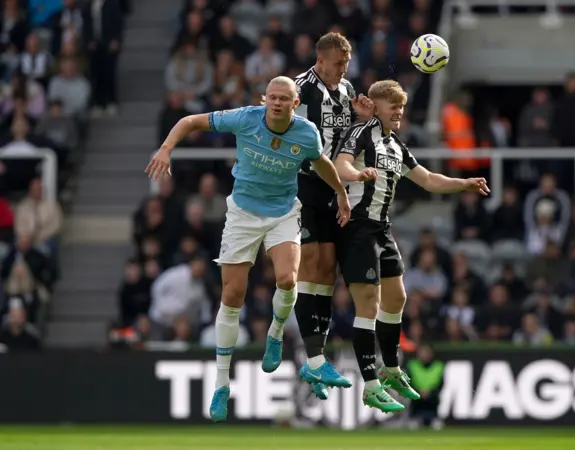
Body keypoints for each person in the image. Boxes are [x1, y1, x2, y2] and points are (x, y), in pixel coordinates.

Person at [145, 76, 351, 422]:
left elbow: (321, 162)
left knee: (287, 279)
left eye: (285, 98)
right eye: (272, 97)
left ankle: (274, 335)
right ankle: (221, 383)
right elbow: (190, 121)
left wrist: (342, 194)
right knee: (232, 295)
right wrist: (166, 148)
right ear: (264, 99)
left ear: (295, 104)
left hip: (284, 211)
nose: (277, 102)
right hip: (242, 214)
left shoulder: (306, 133)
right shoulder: (244, 117)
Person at [333, 80, 489, 413]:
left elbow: (428, 179)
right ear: (376, 108)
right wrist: (356, 176)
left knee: (398, 297)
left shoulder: (396, 146)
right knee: (368, 304)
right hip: (358, 228)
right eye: (394, 106)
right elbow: (340, 164)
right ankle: (371, 385)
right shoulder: (361, 133)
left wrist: (464, 183)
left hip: (382, 228)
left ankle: (391, 369)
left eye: (402, 107)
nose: (400, 112)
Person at [293, 32, 375, 401]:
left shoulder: (346, 90)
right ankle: (312, 357)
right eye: (338, 63)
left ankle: (317, 358)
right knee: (311, 264)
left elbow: (349, 138)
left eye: (346, 63)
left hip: (334, 187)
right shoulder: (300, 88)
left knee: (327, 269)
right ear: (321, 60)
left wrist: (362, 118)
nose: (344, 69)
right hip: (303, 185)